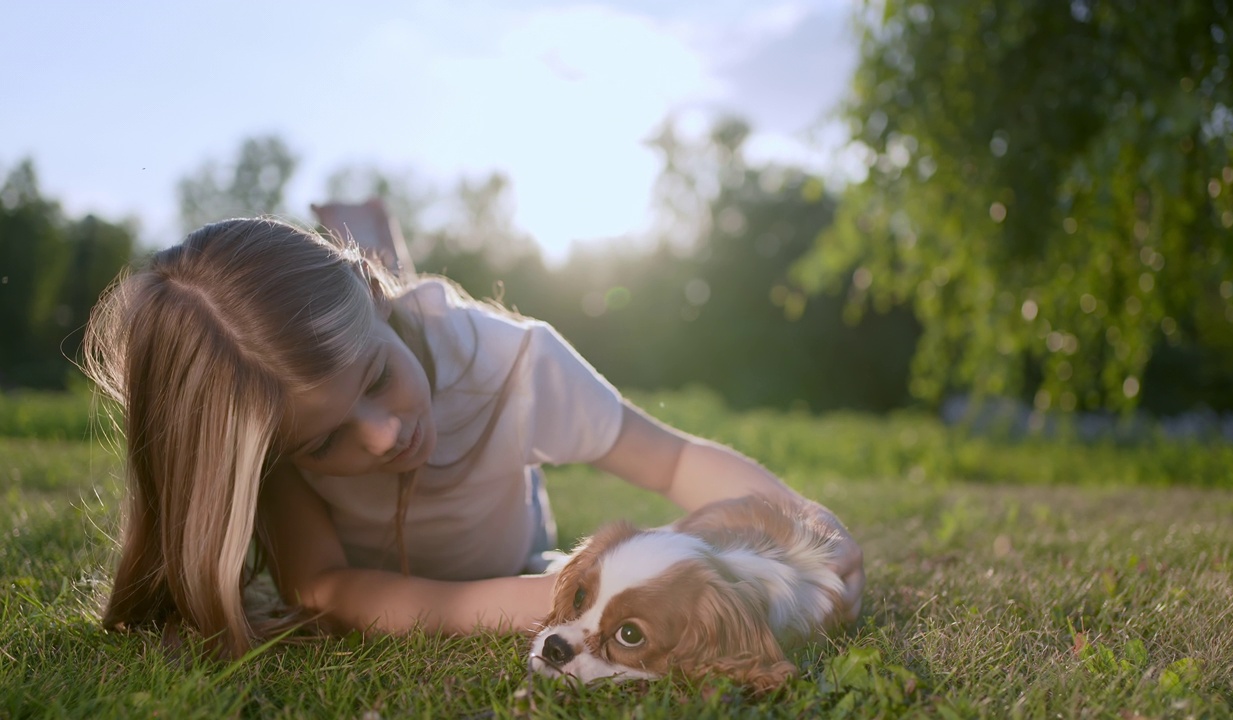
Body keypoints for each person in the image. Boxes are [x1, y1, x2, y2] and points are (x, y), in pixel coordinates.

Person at [82, 209, 865, 659]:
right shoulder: (273, 413)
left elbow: (673, 460)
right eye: (325, 444)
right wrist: (549, 600)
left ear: (371, 301)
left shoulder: (514, 364)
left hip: (514, 544)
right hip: (490, 577)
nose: (384, 436)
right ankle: (369, 237)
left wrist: (797, 519)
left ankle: (373, 237)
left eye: (377, 379)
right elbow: (325, 588)